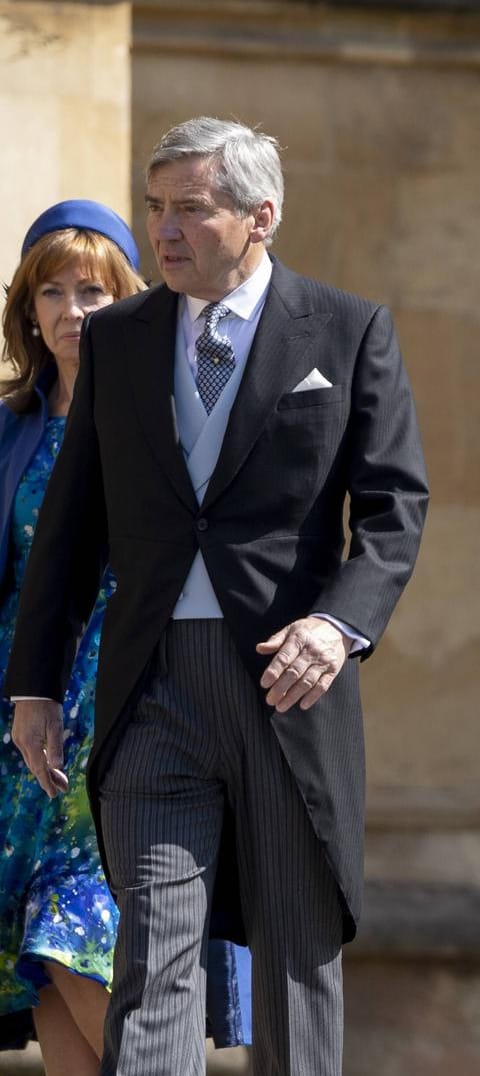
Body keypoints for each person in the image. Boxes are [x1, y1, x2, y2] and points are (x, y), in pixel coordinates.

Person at [4, 118, 429, 1076]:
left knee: (294, 970)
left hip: (291, 689)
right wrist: (34, 683)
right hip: (150, 690)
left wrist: (339, 623)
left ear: (260, 216)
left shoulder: (349, 328)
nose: (164, 230)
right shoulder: (118, 339)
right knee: (152, 969)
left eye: (189, 209)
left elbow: (398, 506)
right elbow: (71, 525)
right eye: (156, 208)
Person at [0, 200, 252, 1073]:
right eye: (54, 293)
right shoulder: (8, 425)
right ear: (28, 311)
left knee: (79, 926)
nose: (74, 311)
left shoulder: (173, 407)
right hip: (19, 712)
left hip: (131, 701)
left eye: (96, 291)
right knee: (40, 959)